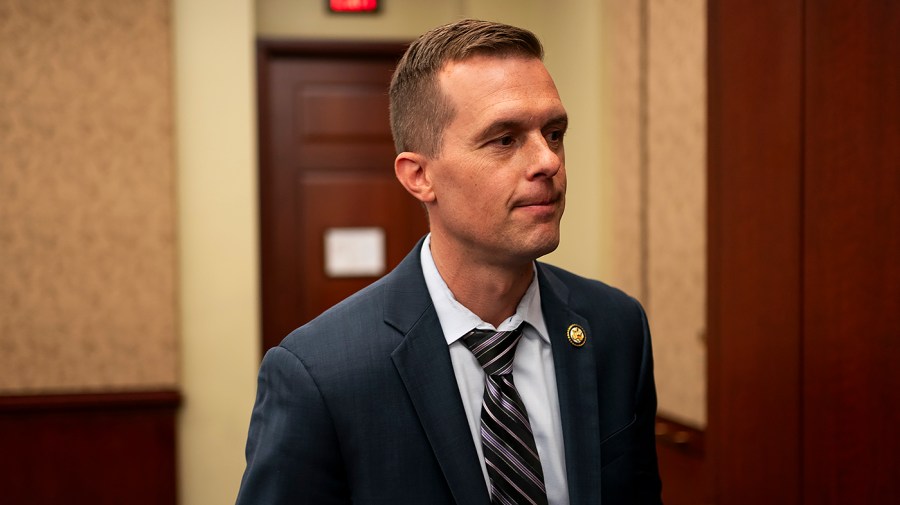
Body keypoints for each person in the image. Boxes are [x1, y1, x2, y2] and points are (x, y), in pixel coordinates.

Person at [236, 19, 662, 505]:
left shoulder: (615, 328)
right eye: (505, 139)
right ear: (419, 176)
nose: (548, 161)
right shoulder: (320, 374)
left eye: (554, 132)